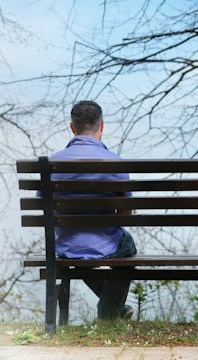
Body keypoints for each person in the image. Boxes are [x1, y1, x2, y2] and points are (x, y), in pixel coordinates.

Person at [49, 100, 137, 320]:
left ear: (72, 128)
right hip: (105, 244)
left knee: (82, 252)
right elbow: (126, 213)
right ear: (102, 126)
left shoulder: (51, 163)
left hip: (66, 245)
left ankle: (115, 310)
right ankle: (108, 313)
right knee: (127, 246)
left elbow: (45, 209)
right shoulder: (115, 162)